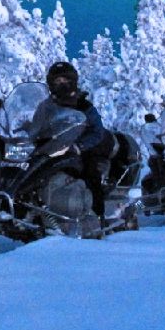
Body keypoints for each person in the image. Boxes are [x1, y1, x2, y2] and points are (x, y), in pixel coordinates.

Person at [31, 61, 112, 217]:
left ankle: (97, 217)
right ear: (51, 84)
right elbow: (37, 125)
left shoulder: (84, 105)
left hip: (80, 149)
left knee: (91, 171)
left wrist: (79, 146)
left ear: (73, 81)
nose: (62, 84)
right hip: (52, 148)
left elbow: (97, 131)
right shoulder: (46, 106)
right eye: (57, 81)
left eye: (65, 80)